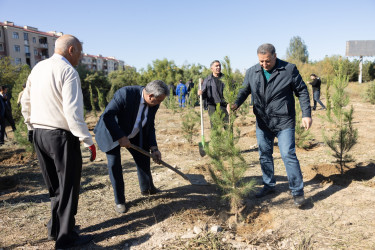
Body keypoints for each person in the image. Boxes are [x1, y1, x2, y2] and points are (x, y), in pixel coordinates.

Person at [21, 34, 96, 249]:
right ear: (71, 50)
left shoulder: (38, 68)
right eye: (79, 53)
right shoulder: (68, 72)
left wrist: (29, 125)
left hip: (39, 134)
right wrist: (87, 140)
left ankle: (55, 228)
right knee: (68, 187)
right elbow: (72, 112)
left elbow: (25, 99)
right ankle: (65, 238)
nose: (80, 58)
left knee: (54, 187)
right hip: (60, 137)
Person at [228, 43, 312, 207]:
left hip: (284, 121)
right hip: (263, 122)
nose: (264, 64)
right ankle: (269, 185)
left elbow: (302, 91)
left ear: (274, 56)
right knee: (264, 154)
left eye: (267, 61)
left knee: (288, 154)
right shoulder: (252, 72)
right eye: (261, 61)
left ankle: (297, 192)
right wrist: (235, 104)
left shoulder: (288, 69)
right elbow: (244, 91)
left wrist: (306, 114)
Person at [94, 80, 168, 214]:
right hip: (111, 131)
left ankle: (147, 189)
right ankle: (120, 201)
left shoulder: (154, 103)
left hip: (133, 131)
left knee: (143, 157)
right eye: (158, 101)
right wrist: (120, 136)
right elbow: (108, 116)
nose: (159, 104)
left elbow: (150, 126)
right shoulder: (125, 93)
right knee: (114, 164)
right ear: (150, 96)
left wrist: (154, 148)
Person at [198, 60, 229, 126]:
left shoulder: (225, 78)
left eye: (219, 66)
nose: (218, 67)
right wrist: (200, 93)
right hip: (212, 106)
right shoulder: (207, 80)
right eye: (216, 66)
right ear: (211, 68)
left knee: (227, 126)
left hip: (223, 106)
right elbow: (203, 95)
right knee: (214, 127)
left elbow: (231, 91)